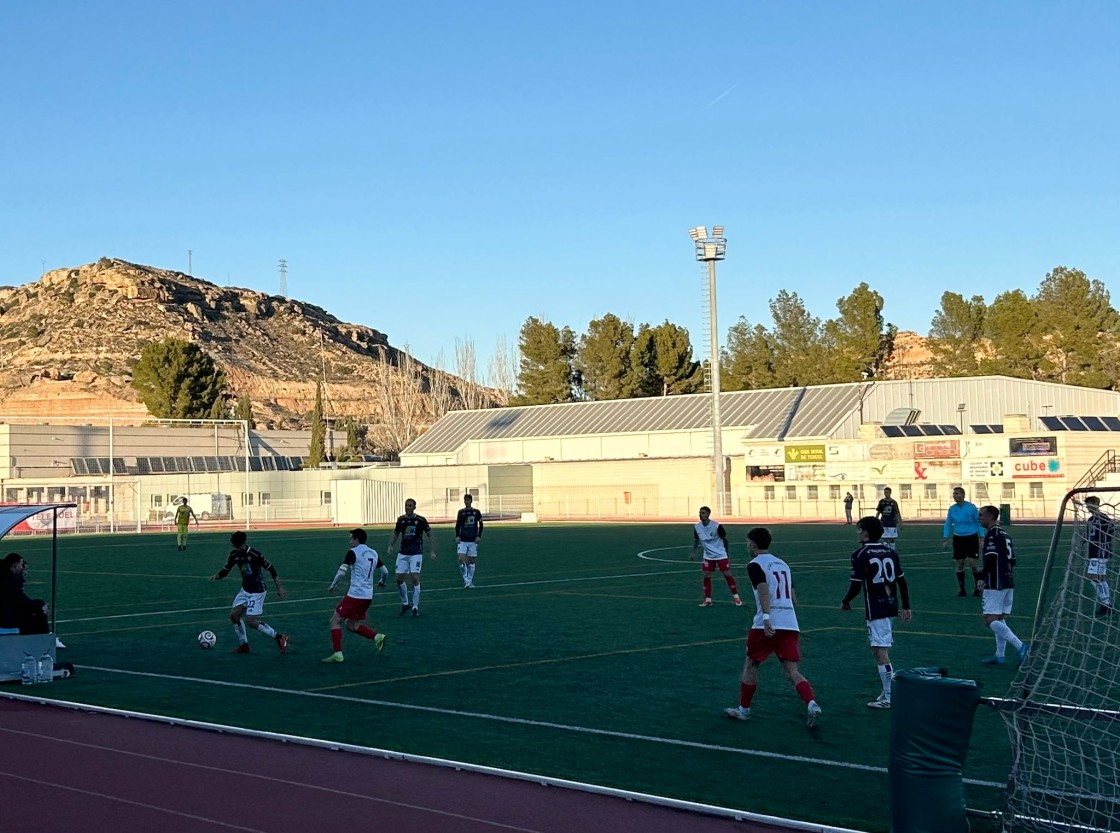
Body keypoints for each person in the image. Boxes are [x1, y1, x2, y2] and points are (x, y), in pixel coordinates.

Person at [724, 527, 822, 727]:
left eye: (747, 542)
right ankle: (811, 703)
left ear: (752, 543)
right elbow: (793, 599)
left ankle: (743, 710)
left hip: (766, 623)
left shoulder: (754, 565)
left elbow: (763, 590)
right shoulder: (783, 564)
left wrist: (767, 617)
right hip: (789, 622)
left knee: (751, 663)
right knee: (791, 670)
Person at [841, 516, 912, 709]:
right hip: (890, 604)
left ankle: (890, 696)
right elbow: (902, 582)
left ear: (865, 532)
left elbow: (856, 585)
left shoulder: (860, 554)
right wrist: (906, 606)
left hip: (876, 607)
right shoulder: (889, 551)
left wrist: (846, 601)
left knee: (881, 651)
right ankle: (887, 691)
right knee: (877, 648)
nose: (857, 533)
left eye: (858, 530)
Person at [209, 531, 288, 654]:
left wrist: (279, 588)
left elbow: (271, 569)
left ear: (244, 543)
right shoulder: (234, 554)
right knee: (234, 616)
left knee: (250, 621)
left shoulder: (255, 554)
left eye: (239, 546)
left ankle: (279, 637)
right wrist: (217, 576)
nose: (237, 549)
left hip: (258, 591)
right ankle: (244, 645)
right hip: (245, 590)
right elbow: (226, 570)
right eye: (235, 547)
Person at [322, 528, 387, 663]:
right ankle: (377, 637)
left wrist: (333, 585)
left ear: (357, 540)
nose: (350, 541)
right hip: (367, 596)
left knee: (334, 621)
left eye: (351, 539)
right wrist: (382, 581)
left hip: (355, 595)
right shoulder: (373, 552)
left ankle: (338, 654)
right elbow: (385, 571)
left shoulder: (353, 552)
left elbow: (341, 572)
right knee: (351, 625)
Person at [978, 505, 1028, 665]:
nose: (979, 517)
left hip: (995, 581)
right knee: (999, 617)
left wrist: (983, 577)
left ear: (991, 516)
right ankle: (1000, 655)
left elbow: (991, 558)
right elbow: (1013, 560)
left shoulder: (992, 535)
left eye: (981, 515)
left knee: (990, 619)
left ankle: (1021, 646)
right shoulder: (1005, 534)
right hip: (1007, 579)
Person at [388, 498, 436, 617]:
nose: (407, 507)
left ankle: (415, 606)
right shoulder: (401, 520)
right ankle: (405, 603)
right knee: (399, 579)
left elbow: (430, 535)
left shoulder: (421, 520)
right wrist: (390, 545)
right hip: (403, 553)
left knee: (414, 578)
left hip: (416, 553)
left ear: (414, 507)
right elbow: (396, 533)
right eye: (406, 505)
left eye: (410, 505)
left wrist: (432, 551)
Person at [690, 506, 742, 607]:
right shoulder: (697, 527)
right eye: (700, 513)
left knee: (727, 574)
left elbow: (725, 540)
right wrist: (693, 552)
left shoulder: (716, 526)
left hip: (720, 554)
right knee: (706, 575)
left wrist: (726, 554)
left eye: (703, 513)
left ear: (708, 514)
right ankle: (708, 599)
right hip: (708, 556)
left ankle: (736, 597)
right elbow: (696, 539)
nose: (701, 515)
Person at [942, 487, 983, 597]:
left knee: (973, 563)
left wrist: (982, 537)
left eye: (957, 493)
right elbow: (948, 523)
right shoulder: (952, 509)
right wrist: (945, 538)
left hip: (971, 537)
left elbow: (978, 522)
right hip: (958, 538)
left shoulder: (971, 507)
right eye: (954, 494)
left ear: (963, 495)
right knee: (959, 563)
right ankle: (962, 589)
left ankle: (978, 588)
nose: (954, 495)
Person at [0, 553, 49, 634]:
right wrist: (39, 607)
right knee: (40, 610)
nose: (22, 567)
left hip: (6, 610)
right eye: (21, 564)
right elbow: (19, 598)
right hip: (5, 615)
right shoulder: (9, 580)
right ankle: (44, 636)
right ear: (14, 565)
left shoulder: (7, 576)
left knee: (38, 605)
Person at [1085, 496, 1114, 616]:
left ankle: (1105, 604)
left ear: (1096, 504)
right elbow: (1088, 534)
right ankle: (1107, 604)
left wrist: (1103, 540)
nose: (1087, 507)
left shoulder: (1103, 518)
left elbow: (1111, 531)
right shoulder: (1091, 519)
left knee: (1093, 578)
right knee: (1100, 578)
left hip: (1100, 551)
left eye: (1089, 504)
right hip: (1094, 551)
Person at [455, 494, 484, 589]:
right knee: (461, 559)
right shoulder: (461, 512)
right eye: (465, 500)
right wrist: (457, 536)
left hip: (472, 540)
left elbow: (481, 524)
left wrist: (479, 536)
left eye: (468, 500)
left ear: (471, 501)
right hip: (463, 540)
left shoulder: (476, 512)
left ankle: (470, 581)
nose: (466, 502)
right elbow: (458, 525)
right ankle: (466, 580)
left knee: (472, 562)